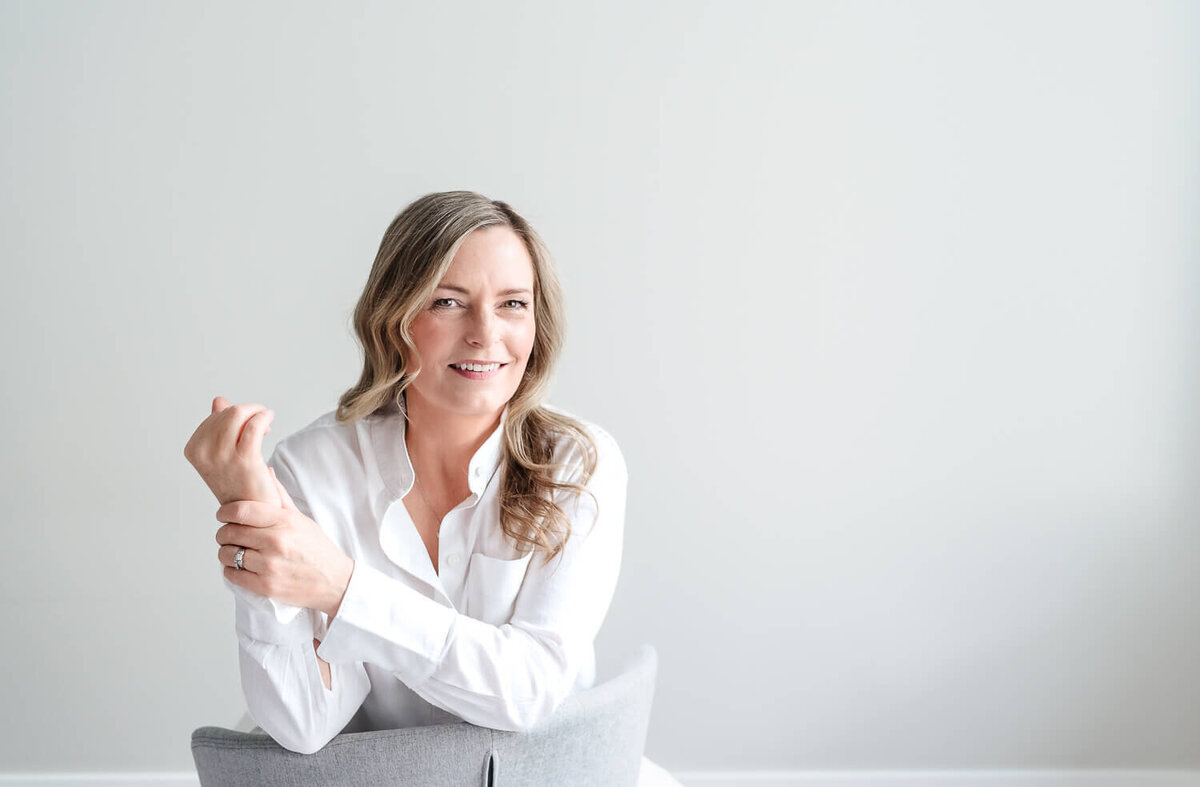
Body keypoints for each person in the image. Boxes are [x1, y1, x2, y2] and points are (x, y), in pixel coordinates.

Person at [184, 191, 679, 785]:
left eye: (513, 304)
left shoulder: (578, 462)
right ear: (393, 321)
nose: (486, 334)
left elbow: (528, 690)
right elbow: (303, 722)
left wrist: (343, 590)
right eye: (449, 302)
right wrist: (257, 522)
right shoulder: (314, 468)